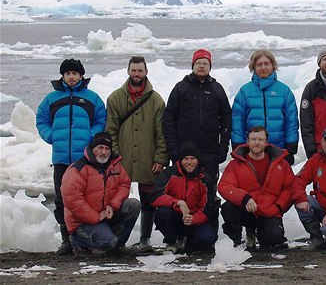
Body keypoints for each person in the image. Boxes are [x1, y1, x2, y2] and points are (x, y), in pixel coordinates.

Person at [36, 58, 107, 255]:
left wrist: (91, 138)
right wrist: (49, 135)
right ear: (62, 76)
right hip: (60, 157)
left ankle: (84, 238)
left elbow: (101, 119)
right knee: (62, 198)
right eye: (67, 74)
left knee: (84, 198)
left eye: (75, 74)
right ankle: (66, 238)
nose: (71, 77)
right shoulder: (52, 98)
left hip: (83, 159)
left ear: (81, 76)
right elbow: (41, 119)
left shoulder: (92, 98)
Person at [163, 49, 232, 233]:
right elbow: (168, 120)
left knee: (209, 193)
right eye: (198, 63)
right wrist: (173, 150)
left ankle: (208, 233)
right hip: (183, 153)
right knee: (181, 193)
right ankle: (179, 234)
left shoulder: (217, 89)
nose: (202, 66)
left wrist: (222, 147)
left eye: (205, 63)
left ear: (210, 67)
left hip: (209, 152)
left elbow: (226, 119)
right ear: (193, 65)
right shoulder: (181, 88)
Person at [105, 55, 167, 252]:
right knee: (116, 198)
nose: (137, 74)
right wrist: (114, 156)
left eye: (140, 70)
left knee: (148, 199)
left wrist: (160, 158)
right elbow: (110, 130)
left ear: (146, 72)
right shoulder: (115, 98)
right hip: (122, 157)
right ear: (128, 71)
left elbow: (161, 133)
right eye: (134, 70)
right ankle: (114, 237)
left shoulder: (156, 100)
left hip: (148, 157)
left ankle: (145, 239)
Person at [60, 132, 141, 255]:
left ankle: (117, 245)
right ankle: (77, 240)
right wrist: (96, 217)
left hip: (105, 214)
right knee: (108, 242)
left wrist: (112, 206)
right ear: (93, 149)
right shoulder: (78, 169)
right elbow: (73, 201)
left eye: (107, 148)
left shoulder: (115, 166)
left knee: (133, 205)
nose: (104, 152)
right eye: (100, 148)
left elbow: (124, 185)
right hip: (83, 221)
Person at [218, 126, 294, 250]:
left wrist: (278, 207)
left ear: (266, 142)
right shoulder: (235, 164)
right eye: (253, 139)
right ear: (247, 142)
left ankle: (260, 235)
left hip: (269, 210)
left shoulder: (281, 164)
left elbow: (289, 188)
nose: (257, 143)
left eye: (260, 139)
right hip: (247, 209)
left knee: (274, 239)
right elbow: (225, 186)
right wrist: (245, 198)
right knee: (228, 208)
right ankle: (236, 242)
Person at [231, 49, 299, 165]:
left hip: (279, 149)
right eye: (259, 64)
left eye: (266, 64)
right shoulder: (244, 92)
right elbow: (237, 122)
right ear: (253, 67)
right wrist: (238, 147)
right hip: (252, 150)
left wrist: (291, 144)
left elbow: (291, 120)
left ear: (273, 66)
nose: (263, 67)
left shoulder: (284, 91)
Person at [151, 142, 218, 253]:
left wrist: (194, 219)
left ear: (198, 160)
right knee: (162, 213)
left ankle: (189, 242)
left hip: (193, 220)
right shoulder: (169, 173)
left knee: (208, 238)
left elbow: (207, 209)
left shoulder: (205, 180)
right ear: (180, 161)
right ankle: (171, 241)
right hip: (175, 216)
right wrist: (177, 202)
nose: (189, 162)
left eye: (192, 158)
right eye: (185, 159)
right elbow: (155, 196)